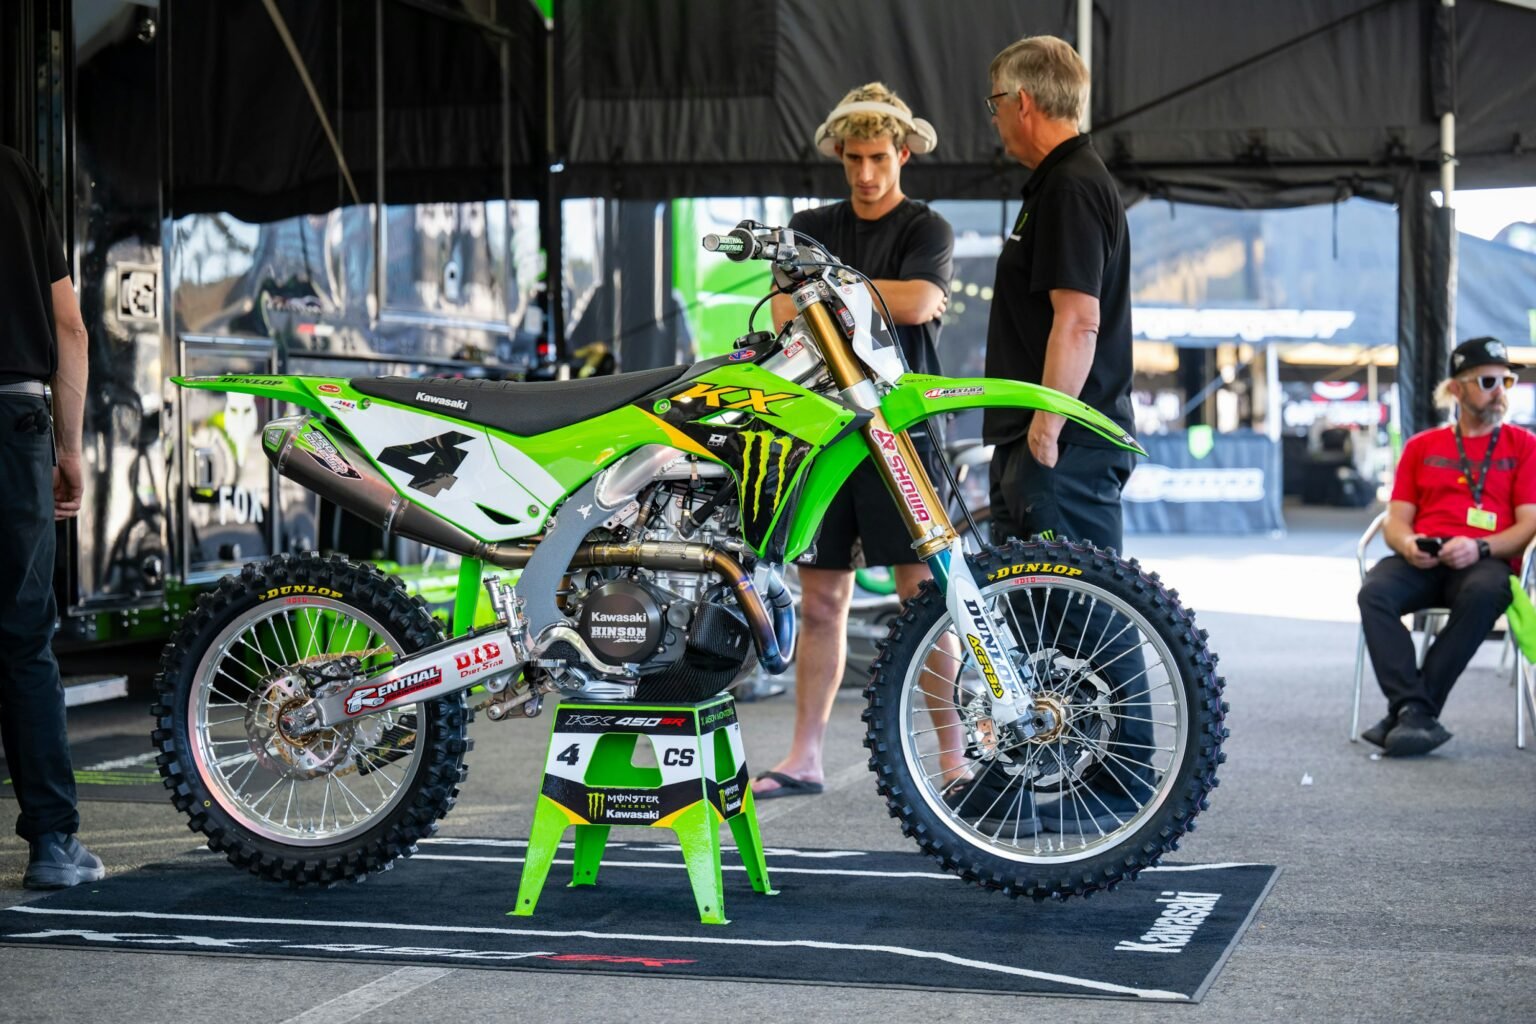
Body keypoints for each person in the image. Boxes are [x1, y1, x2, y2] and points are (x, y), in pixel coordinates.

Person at [750, 83, 961, 799]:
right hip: (823, 430)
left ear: (903, 155)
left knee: (923, 598)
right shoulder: (809, 225)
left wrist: (828, 291)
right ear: (839, 155)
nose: (866, 173)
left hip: (902, 430)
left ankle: (955, 761)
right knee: (820, 602)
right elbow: (784, 313)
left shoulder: (927, 227)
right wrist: (870, 292)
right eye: (854, 159)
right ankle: (804, 758)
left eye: (879, 158)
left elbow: (921, 303)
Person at [979, 35, 1147, 834]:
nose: (993, 122)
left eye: (994, 105)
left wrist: (1046, 427)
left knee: (1090, 610)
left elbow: (1078, 320)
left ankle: (1128, 777)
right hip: (1043, 437)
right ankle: (1045, 773)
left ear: (1023, 102)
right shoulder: (1057, 184)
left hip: (1065, 442)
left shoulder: (1074, 185)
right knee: (1039, 618)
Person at [0, 144, 102, 888]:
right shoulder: (13, 172)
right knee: (21, 635)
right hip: (14, 420)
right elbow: (70, 326)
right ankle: (54, 846)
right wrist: (68, 449)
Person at [1357, 337, 1536, 757]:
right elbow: (1395, 521)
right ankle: (1413, 710)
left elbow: (1529, 524)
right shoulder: (1422, 446)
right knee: (1374, 592)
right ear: (1456, 388)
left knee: (1487, 591)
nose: (1500, 391)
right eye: (1488, 381)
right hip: (1424, 557)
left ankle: (1411, 711)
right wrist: (1408, 543)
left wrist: (1480, 547)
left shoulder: (1524, 446)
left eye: (1506, 381)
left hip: (1485, 560)